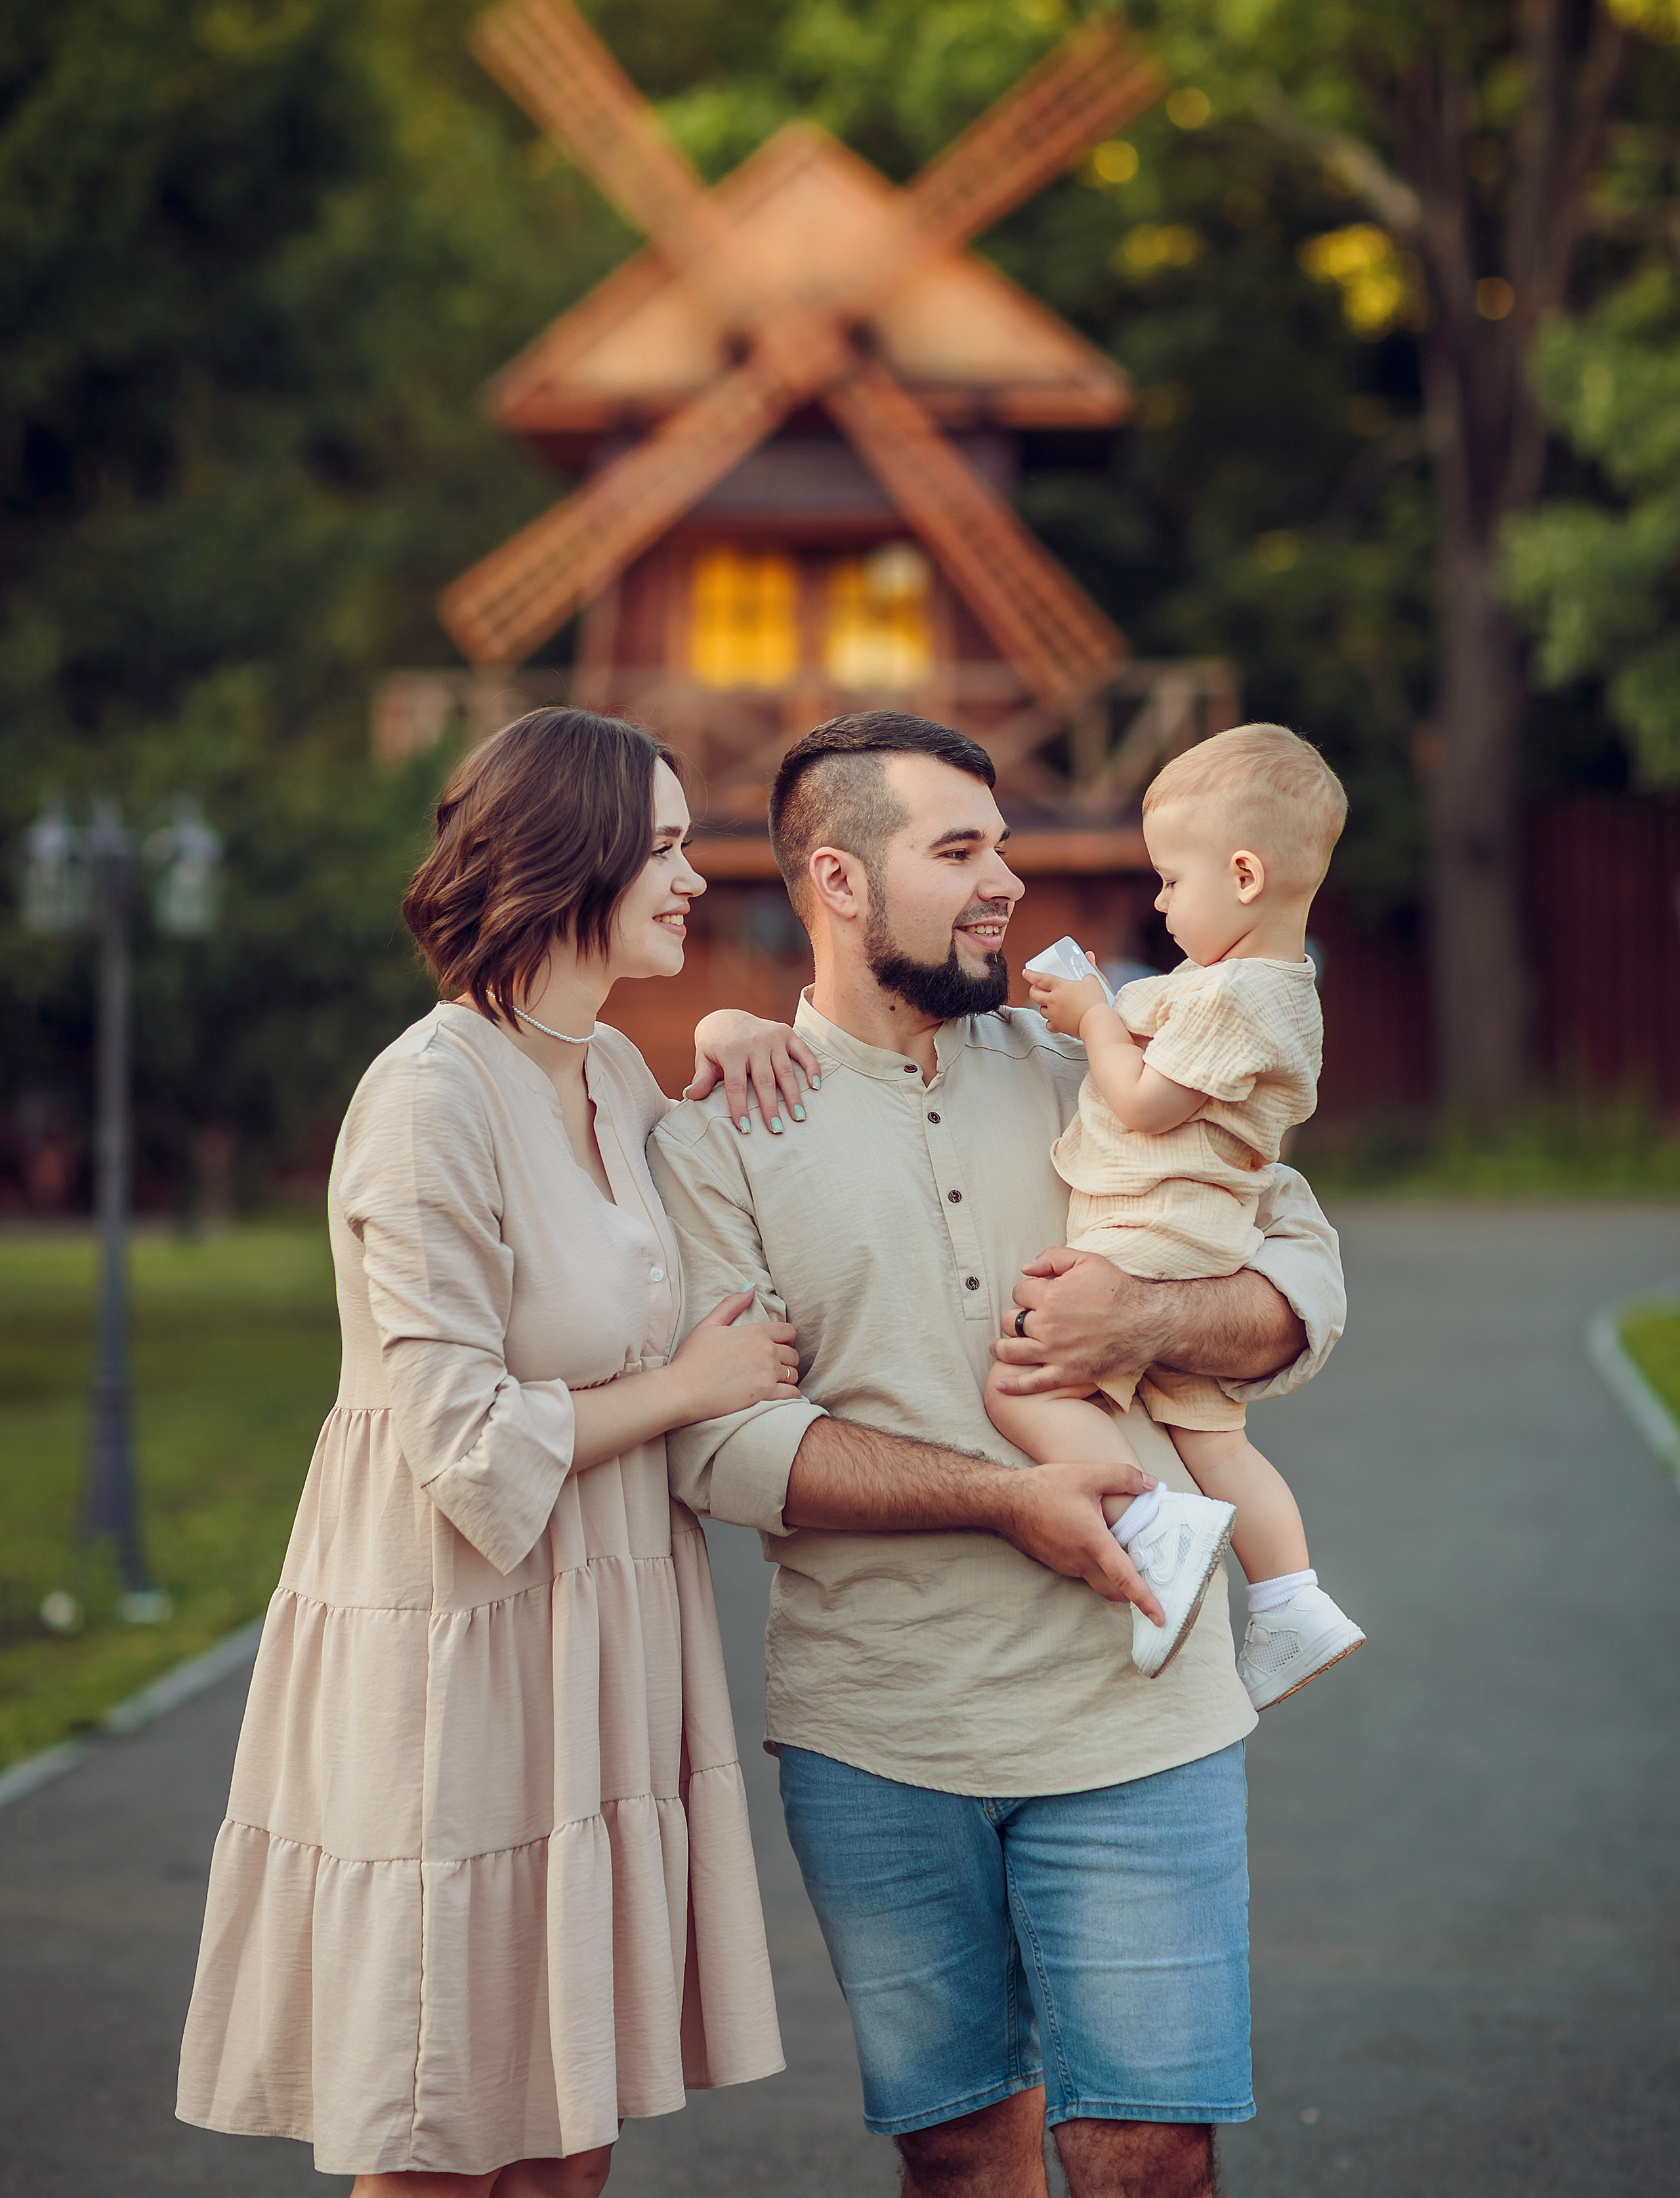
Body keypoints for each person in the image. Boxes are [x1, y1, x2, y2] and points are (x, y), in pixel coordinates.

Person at [648, 710, 1347, 2198]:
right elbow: (721, 1445)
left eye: (1003, 850)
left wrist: (1142, 1314)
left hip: (1135, 1713)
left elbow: (1302, 1285)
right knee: (964, 2163)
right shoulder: (718, 1131)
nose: (1003, 886)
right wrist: (1004, 1500)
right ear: (837, 882)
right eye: (958, 851)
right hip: (875, 1737)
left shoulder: (1092, 1060)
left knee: (1148, 2157)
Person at [177, 707, 817, 2197]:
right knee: (440, 2128)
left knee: (564, 2133)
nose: (693, 880)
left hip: (597, 1636)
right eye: (661, 848)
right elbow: (458, 1445)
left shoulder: (607, 1076)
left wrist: (726, 1030)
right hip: (457, 1642)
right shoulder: (425, 1101)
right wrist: (687, 1387)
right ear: (568, 859)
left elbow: (697, 1229)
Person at [998, 722, 1366, 1705]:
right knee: (1216, 1438)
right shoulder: (1264, 987)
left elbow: (1146, 1102)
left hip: (1153, 1226)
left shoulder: (1236, 997)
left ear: (1243, 874)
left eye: (1169, 880)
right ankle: (1291, 1600)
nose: (1158, 901)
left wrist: (1092, 1016)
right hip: (1202, 1229)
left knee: (1026, 1381)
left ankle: (1157, 1530)